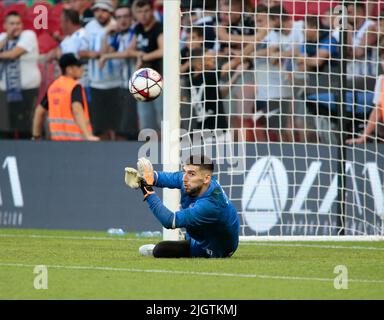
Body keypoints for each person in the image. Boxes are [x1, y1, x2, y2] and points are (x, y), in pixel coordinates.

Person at [124, 155, 240, 258]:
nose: (184, 178)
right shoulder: (194, 181)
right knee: (190, 222)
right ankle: (188, 240)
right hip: (207, 231)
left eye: (191, 174)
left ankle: (181, 246)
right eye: (185, 171)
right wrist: (147, 177)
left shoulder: (210, 204)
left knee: (161, 249)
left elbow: (169, 221)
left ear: (206, 178)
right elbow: (164, 178)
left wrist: (145, 188)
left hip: (217, 247)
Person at [79, 0, 123, 140]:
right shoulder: (89, 27)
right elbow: (81, 51)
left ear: (110, 12)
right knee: (99, 126)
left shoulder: (117, 26)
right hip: (96, 84)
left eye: (104, 10)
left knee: (117, 127)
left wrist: (99, 53)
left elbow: (112, 50)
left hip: (116, 84)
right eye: (97, 10)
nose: (100, 14)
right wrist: (95, 54)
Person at [32, 53, 99, 141]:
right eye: (78, 66)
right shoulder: (75, 87)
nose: (82, 69)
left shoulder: (53, 87)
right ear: (69, 69)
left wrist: (36, 136)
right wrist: (87, 136)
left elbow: (39, 112)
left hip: (58, 143)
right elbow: (77, 109)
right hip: (79, 144)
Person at [99, 4, 138, 140]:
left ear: (131, 18)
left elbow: (127, 53)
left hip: (135, 86)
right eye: (119, 17)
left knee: (129, 128)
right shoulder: (117, 36)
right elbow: (104, 53)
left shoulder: (135, 32)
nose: (123, 20)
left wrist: (106, 57)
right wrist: (105, 35)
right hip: (120, 86)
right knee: (120, 127)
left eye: (126, 16)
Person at [0, 11, 41, 139]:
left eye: (18, 23)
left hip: (27, 90)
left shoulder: (28, 35)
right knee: (5, 128)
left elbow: (14, 54)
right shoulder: (2, 37)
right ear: (5, 25)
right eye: (12, 24)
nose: (15, 27)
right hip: (5, 91)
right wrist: (7, 38)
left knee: (25, 128)